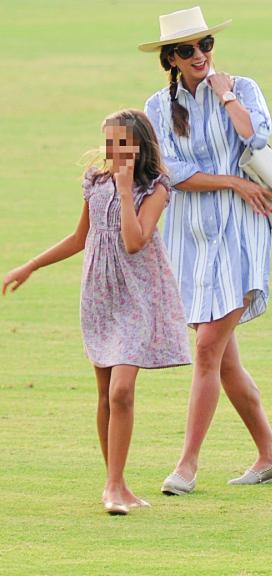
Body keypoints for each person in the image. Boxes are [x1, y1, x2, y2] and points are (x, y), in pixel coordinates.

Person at [3, 110, 192, 515]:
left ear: (139, 144)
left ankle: (112, 487)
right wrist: (30, 266)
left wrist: (126, 192)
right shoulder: (95, 182)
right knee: (105, 392)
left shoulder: (155, 189)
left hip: (139, 297)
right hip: (100, 294)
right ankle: (117, 485)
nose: (114, 151)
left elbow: (134, 242)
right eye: (110, 143)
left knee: (122, 390)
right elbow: (79, 237)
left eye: (122, 143)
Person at [138, 6, 272, 494]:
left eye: (205, 45)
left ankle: (187, 465)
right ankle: (270, 455)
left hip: (243, 233)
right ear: (171, 59)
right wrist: (231, 182)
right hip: (189, 240)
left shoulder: (242, 87)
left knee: (205, 350)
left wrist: (225, 97)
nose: (199, 55)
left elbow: (257, 137)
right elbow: (175, 173)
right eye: (187, 49)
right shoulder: (158, 108)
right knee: (223, 361)